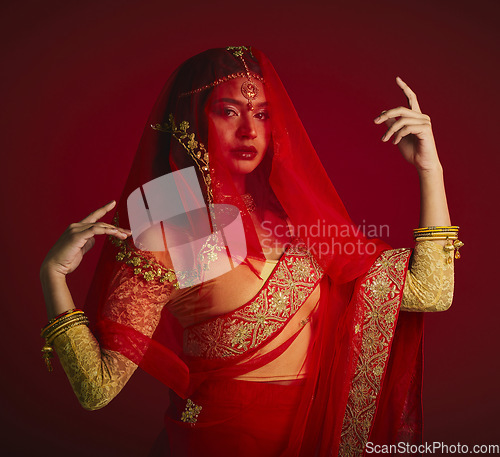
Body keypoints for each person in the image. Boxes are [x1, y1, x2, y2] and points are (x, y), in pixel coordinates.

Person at [40, 46, 461, 456]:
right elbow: (97, 387)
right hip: (216, 441)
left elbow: (431, 292)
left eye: (262, 114)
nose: (249, 131)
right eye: (228, 111)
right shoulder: (165, 236)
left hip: (311, 439)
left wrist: (430, 170)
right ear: (191, 119)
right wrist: (53, 276)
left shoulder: (303, 226)